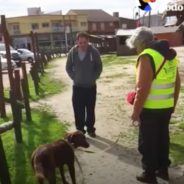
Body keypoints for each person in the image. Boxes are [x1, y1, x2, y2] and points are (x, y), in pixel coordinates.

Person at [126, 27, 181, 183]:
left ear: (141, 44)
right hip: (166, 107)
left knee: (147, 142)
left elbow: (143, 88)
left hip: (150, 109)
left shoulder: (146, 56)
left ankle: (149, 174)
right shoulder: (169, 55)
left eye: (136, 47)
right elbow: (177, 83)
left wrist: (136, 112)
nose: (136, 50)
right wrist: (173, 104)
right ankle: (163, 170)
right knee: (163, 139)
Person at [66, 32, 102, 137]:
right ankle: (80, 130)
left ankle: (91, 129)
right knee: (78, 110)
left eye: (85, 42)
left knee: (90, 109)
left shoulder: (94, 52)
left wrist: (93, 77)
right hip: (77, 87)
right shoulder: (72, 53)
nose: (82, 45)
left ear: (88, 41)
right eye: (80, 42)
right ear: (77, 42)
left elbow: (99, 67)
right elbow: (68, 67)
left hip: (90, 87)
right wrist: (74, 77)